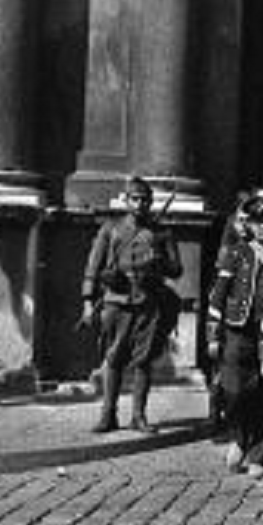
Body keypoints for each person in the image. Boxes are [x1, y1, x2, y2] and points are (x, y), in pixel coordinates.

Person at [82, 176, 182, 434]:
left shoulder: (162, 233)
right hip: (117, 301)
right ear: (126, 200)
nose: (140, 204)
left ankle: (138, 416)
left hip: (149, 302)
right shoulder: (111, 229)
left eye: (145, 199)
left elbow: (177, 270)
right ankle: (108, 415)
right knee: (113, 357)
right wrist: (87, 301)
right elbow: (93, 268)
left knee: (144, 360)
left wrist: (158, 261)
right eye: (135, 199)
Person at [205, 190, 263, 477]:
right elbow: (218, 296)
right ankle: (240, 437)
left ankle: (258, 455)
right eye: (257, 221)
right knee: (235, 391)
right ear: (249, 224)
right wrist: (213, 336)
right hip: (239, 331)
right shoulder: (237, 253)